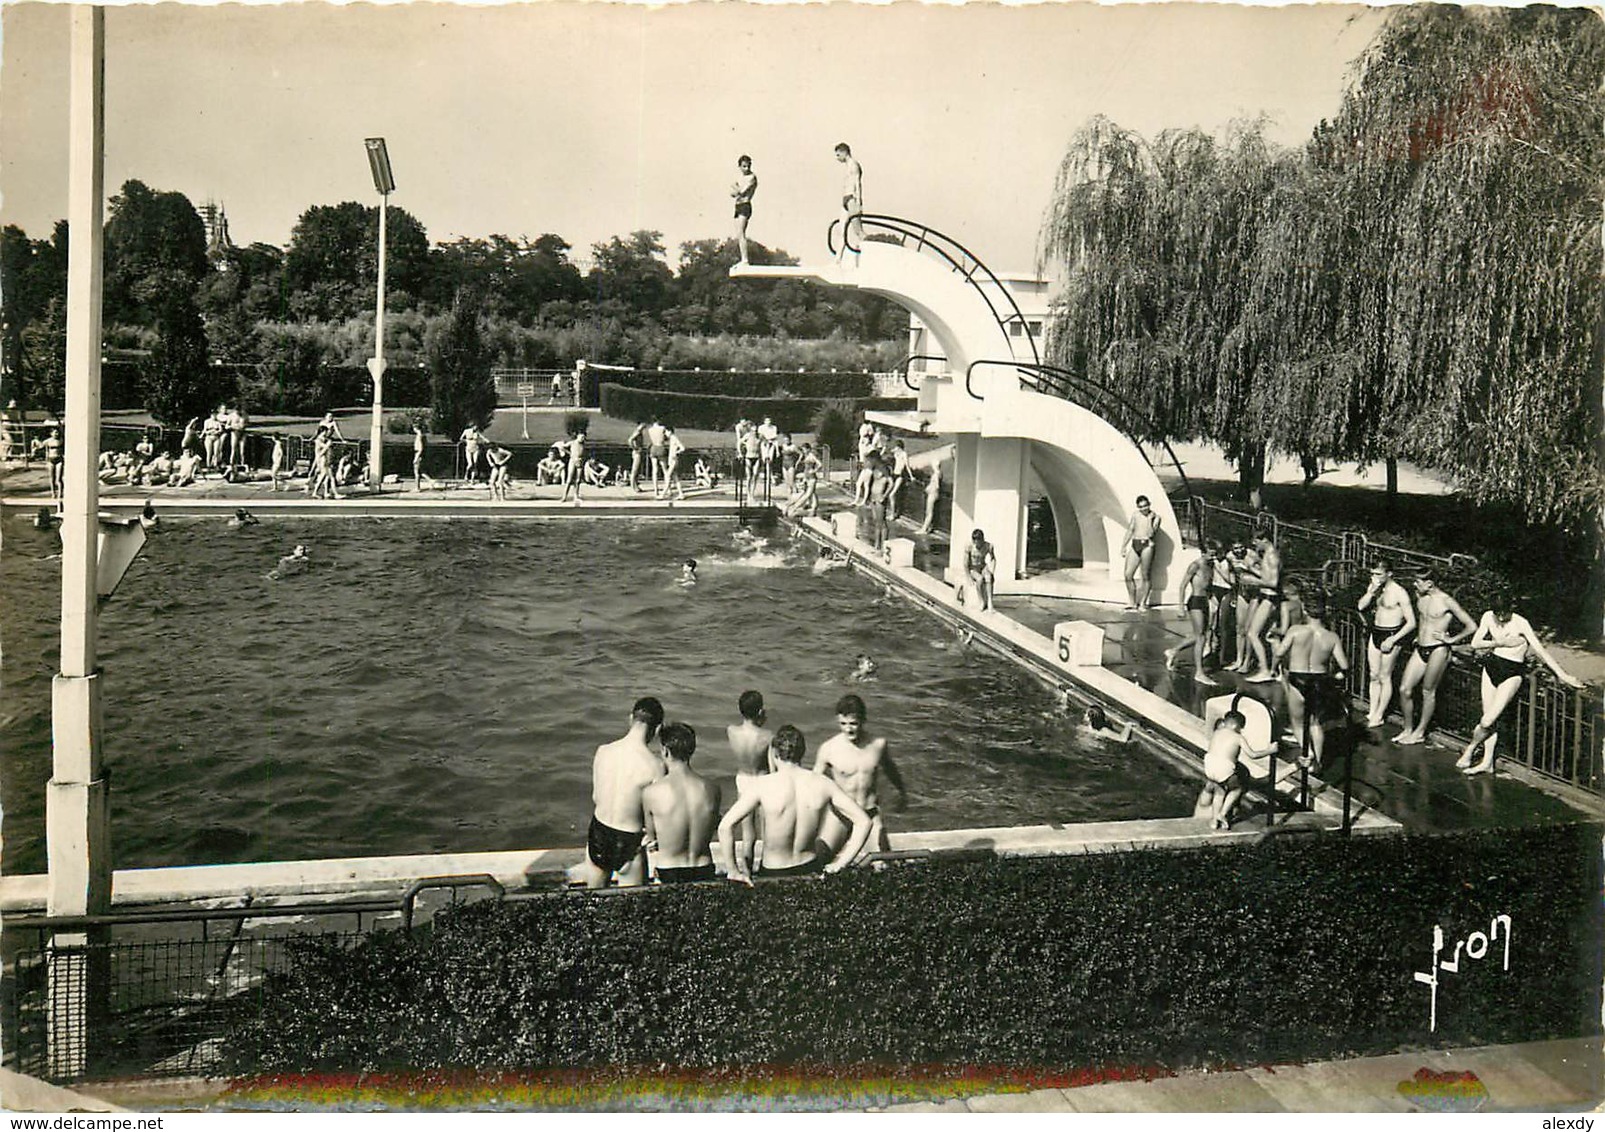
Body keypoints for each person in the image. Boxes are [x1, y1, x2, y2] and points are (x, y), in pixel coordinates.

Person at [718, 724, 872, 883]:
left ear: (776, 754)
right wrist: (839, 865)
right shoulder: (823, 783)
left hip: (773, 873)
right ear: (802, 753)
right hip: (809, 868)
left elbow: (725, 827)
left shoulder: (761, 785)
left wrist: (733, 871)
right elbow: (864, 822)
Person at [1457, 596, 1585, 775]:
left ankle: (1470, 749)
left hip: (1512, 673)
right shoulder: (1487, 616)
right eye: (1498, 614)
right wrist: (1501, 643)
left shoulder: (1521, 623)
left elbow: (1541, 652)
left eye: (1504, 614)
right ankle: (1487, 762)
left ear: (1511, 609)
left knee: (1487, 721)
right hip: (1491, 668)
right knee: (1488, 719)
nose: (1501, 618)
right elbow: (1475, 643)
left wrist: (1564, 676)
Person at [582, 696, 667, 888]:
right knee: (632, 908)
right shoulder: (655, 766)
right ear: (658, 728)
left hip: (598, 832)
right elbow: (657, 815)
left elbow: (596, 797)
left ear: (630, 718)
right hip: (628, 838)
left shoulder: (603, 751)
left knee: (593, 901)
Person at [814, 694, 906, 859]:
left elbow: (890, 769)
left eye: (853, 724)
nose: (848, 729)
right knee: (820, 856)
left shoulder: (878, 745)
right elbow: (813, 785)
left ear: (863, 720)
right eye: (843, 724)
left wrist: (901, 793)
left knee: (882, 864)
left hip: (869, 812)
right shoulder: (828, 749)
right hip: (841, 814)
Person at [1394, 572, 1476, 745]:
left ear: (1429, 583)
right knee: (1404, 689)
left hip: (1438, 649)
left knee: (1427, 691)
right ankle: (1408, 729)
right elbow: (1423, 622)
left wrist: (1451, 640)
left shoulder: (1446, 601)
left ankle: (1420, 732)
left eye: (1418, 582)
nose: (1415, 585)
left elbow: (1471, 626)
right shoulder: (1420, 597)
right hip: (1421, 648)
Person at [1275, 596, 1350, 770]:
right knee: (1316, 722)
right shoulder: (1331, 636)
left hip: (1297, 679)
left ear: (1306, 611)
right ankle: (1318, 762)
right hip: (1319, 680)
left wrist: (1275, 663)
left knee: (1298, 722)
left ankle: (1307, 753)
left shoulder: (1295, 630)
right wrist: (1337, 675)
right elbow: (1344, 665)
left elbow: (1279, 652)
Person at [641, 722, 721, 884]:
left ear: (665, 751)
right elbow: (713, 825)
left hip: (669, 870)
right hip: (703, 867)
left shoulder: (651, 792)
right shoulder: (712, 789)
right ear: (692, 750)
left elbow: (652, 837)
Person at [1357, 560, 1416, 728]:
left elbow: (1411, 622)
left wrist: (1393, 639)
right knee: (1373, 675)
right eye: (1372, 574)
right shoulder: (1375, 588)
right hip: (1376, 631)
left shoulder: (1399, 592)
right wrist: (1371, 592)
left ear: (1389, 573)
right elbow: (1361, 606)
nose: (1374, 577)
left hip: (1392, 633)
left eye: (1378, 574)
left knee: (1385, 676)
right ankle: (1372, 710)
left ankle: (1380, 714)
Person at [725, 690, 776, 877]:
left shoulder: (731, 731)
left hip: (743, 779)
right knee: (766, 826)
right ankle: (764, 863)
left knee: (748, 829)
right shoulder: (768, 736)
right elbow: (772, 766)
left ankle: (746, 867)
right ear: (761, 711)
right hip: (762, 779)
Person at [1164, 542, 1218, 681]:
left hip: (1205, 601)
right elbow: (1182, 586)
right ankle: (1199, 673)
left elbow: (1208, 585)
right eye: (1211, 554)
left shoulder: (1210, 565)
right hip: (1195, 601)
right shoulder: (1195, 565)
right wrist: (1180, 606)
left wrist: (1212, 600)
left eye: (1215, 554)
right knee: (1200, 637)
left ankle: (1173, 651)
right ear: (1204, 553)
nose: (1213, 557)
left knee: (1199, 635)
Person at [1239, 535, 1284, 682]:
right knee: (1270, 636)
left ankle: (1264, 669)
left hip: (1269, 599)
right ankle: (1276, 670)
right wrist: (1252, 570)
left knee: (1253, 634)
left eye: (1256, 542)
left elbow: (1273, 582)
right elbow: (1268, 576)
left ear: (1264, 539)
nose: (1255, 545)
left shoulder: (1272, 556)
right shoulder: (1270, 554)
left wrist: (1253, 581)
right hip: (1271, 598)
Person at [1199, 711, 1250, 830]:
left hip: (1209, 764)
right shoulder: (1238, 737)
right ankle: (1222, 814)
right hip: (1224, 768)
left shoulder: (1217, 733)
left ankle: (1214, 821)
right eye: (1240, 728)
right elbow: (1253, 755)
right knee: (1237, 789)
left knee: (1219, 791)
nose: (1240, 730)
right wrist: (1270, 750)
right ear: (1235, 726)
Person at [1119, 496, 1161, 611]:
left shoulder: (1155, 517)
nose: (1144, 509)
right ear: (1138, 507)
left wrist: (1149, 519)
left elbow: (1151, 533)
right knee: (1128, 574)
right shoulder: (1135, 515)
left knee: (1145, 575)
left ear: (1149, 504)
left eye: (1146, 506)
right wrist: (1123, 546)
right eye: (1141, 507)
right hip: (1135, 543)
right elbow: (1130, 529)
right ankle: (1132, 602)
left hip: (1147, 545)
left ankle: (1143, 603)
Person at [833, 142, 864, 266]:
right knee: (841, 230)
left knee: (858, 231)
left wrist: (858, 201)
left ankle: (871, 252)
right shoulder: (847, 166)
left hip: (852, 198)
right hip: (845, 199)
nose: (837, 158)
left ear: (844, 151)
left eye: (838, 154)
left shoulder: (853, 165)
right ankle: (837, 259)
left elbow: (857, 183)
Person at [731, 154, 758, 265]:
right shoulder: (740, 178)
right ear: (740, 167)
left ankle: (745, 260)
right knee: (738, 234)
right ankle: (743, 258)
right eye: (744, 166)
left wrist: (735, 187)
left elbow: (742, 192)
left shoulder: (752, 177)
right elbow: (732, 194)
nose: (746, 169)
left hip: (745, 205)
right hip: (738, 206)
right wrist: (736, 190)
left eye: (748, 166)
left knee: (742, 232)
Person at [962, 528, 996, 611]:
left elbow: (993, 559)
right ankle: (982, 601)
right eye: (975, 542)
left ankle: (990, 602)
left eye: (979, 542)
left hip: (982, 566)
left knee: (988, 577)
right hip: (973, 568)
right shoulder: (969, 546)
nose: (977, 544)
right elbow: (965, 563)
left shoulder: (988, 546)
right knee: (980, 579)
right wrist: (968, 577)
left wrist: (992, 569)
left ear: (982, 540)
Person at [560, 430, 586, 505]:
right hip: (572, 460)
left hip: (580, 461)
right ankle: (564, 496)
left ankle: (576, 495)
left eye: (583, 437)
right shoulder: (572, 443)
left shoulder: (583, 444)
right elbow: (563, 447)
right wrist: (570, 454)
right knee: (569, 479)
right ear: (577, 436)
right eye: (581, 437)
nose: (582, 438)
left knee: (578, 480)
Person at [647, 419, 670, 497]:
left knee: (654, 470)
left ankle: (655, 490)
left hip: (653, 447)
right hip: (661, 447)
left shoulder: (650, 429)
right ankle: (668, 488)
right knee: (665, 469)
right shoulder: (662, 428)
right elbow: (667, 437)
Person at [919, 460, 942, 535]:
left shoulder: (936, 474)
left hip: (933, 494)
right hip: (934, 494)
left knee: (929, 512)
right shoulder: (939, 473)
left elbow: (936, 486)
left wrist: (929, 489)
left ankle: (924, 529)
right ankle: (928, 527)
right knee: (929, 512)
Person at [663, 427, 687, 501]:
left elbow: (682, 448)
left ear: (670, 431)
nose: (665, 433)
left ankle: (663, 493)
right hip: (672, 460)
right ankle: (681, 494)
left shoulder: (674, 438)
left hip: (673, 460)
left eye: (666, 431)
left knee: (667, 476)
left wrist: (676, 453)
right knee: (676, 478)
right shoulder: (672, 439)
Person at [43, 427, 63, 500]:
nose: (56, 434)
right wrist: (46, 461)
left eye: (57, 432)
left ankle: (60, 493)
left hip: (59, 459)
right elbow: (46, 450)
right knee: (52, 478)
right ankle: (53, 493)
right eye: (55, 432)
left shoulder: (61, 440)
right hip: (51, 460)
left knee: (59, 478)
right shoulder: (48, 441)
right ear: (51, 433)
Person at [627, 421, 647, 492]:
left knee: (637, 470)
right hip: (637, 453)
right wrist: (635, 448)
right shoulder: (637, 432)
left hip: (638, 452)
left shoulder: (639, 432)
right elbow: (630, 440)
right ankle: (633, 486)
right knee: (635, 470)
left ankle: (635, 485)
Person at [412, 424, 426, 492]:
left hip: (418, 454)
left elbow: (420, 448)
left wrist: (416, 457)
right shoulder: (421, 436)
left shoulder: (419, 436)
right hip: (419, 454)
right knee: (420, 472)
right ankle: (432, 482)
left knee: (416, 472)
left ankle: (417, 488)